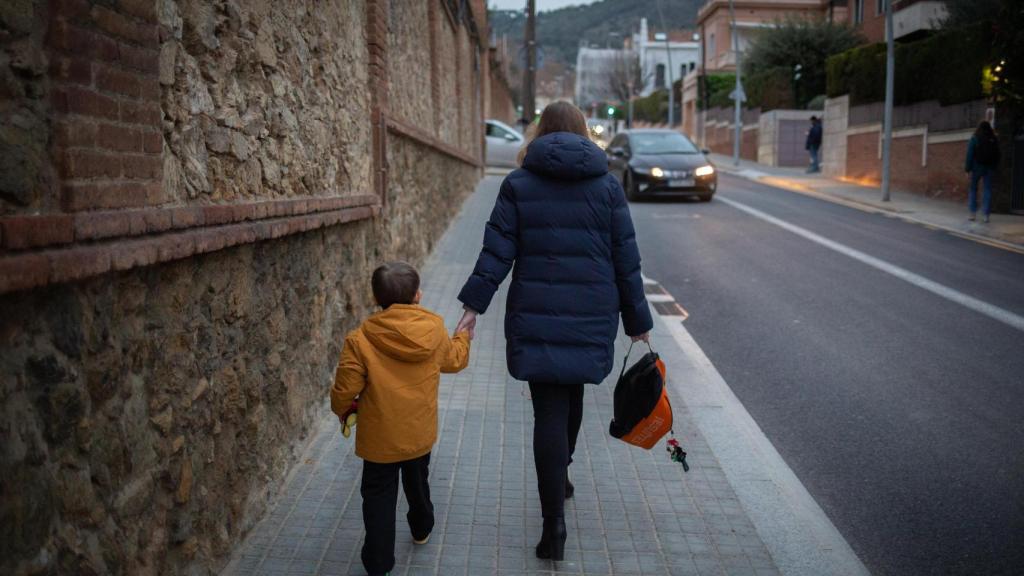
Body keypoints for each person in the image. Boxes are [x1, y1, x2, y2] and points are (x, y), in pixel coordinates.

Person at [454, 101, 652, 561]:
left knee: (548, 409)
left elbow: (496, 251)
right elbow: (626, 257)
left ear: (540, 131)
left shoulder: (519, 183)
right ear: (584, 132)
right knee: (573, 393)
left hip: (536, 309)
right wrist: (638, 322)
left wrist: (472, 306)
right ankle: (561, 474)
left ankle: (553, 528)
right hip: (591, 310)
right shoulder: (607, 186)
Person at [331, 262, 471, 576]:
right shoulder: (434, 330)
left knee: (378, 496)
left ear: (376, 298)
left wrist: (342, 408)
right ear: (417, 295)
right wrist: (463, 337)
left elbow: (345, 390)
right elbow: (454, 361)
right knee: (417, 480)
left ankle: (379, 563)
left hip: (379, 439)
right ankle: (421, 526)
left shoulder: (359, 339)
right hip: (418, 432)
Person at [965, 120, 999, 223]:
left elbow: (969, 154)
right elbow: (998, 154)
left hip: (976, 167)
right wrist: (994, 167)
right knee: (987, 190)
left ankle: (972, 213)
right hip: (989, 168)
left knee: (973, 189)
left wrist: (967, 169)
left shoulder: (975, 138)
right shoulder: (994, 138)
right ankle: (986, 215)